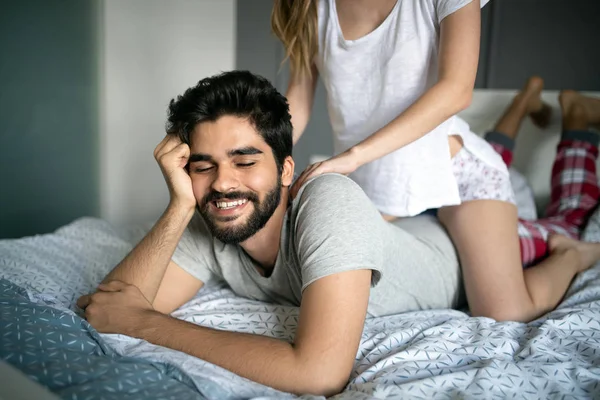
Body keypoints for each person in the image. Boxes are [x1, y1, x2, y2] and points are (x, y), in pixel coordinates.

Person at [77, 71, 600, 397]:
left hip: (456, 253)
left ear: (286, 170)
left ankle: (575, 254)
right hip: (413, 221)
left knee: (555, 228)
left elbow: (321, 373)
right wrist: (178, 204)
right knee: (500, 163)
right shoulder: (209, 211)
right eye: (203, 166)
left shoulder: (326, 202)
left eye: (244, 161)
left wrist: (148, 325)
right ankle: (521, 105)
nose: (224, 183)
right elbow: (112, 305)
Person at [270, 0, 594, 322]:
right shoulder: (310, 7)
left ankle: (571, 255)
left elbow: (456, 89)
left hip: (456, 177)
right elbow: (298, 95)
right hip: (378, 190)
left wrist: (355, 156)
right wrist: (264, 156)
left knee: (506, 313)